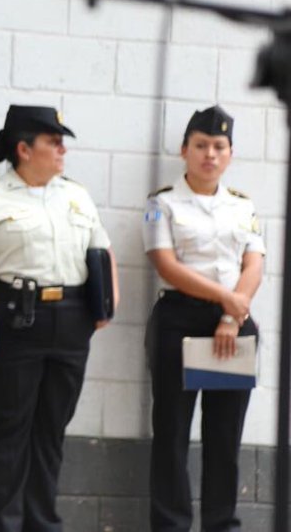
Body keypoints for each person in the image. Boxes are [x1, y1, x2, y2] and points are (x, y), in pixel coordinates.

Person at [0, 105, 117, 532]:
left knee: (51, 430)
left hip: (72, 321)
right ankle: (5, 524)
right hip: (14, 319)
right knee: (9, 429)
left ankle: (42, 523)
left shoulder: (76, 194)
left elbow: (102, 250)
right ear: (24, 149)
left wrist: (107, 304)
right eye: (53, 142)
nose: (62, 150)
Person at [143, 105, 262, 532]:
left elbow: (254, 264)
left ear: (230, 154)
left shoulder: (241, 206)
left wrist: (232, 314)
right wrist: (227, 300)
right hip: (180, 320)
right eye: (200, 145)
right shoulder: (163, 203)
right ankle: (171, 525)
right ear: (184, 150)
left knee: (224, 435)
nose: (209, 154)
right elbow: (167, 265)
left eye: (218, 146)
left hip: (231, 326)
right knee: (172, 434)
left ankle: (220, 524)